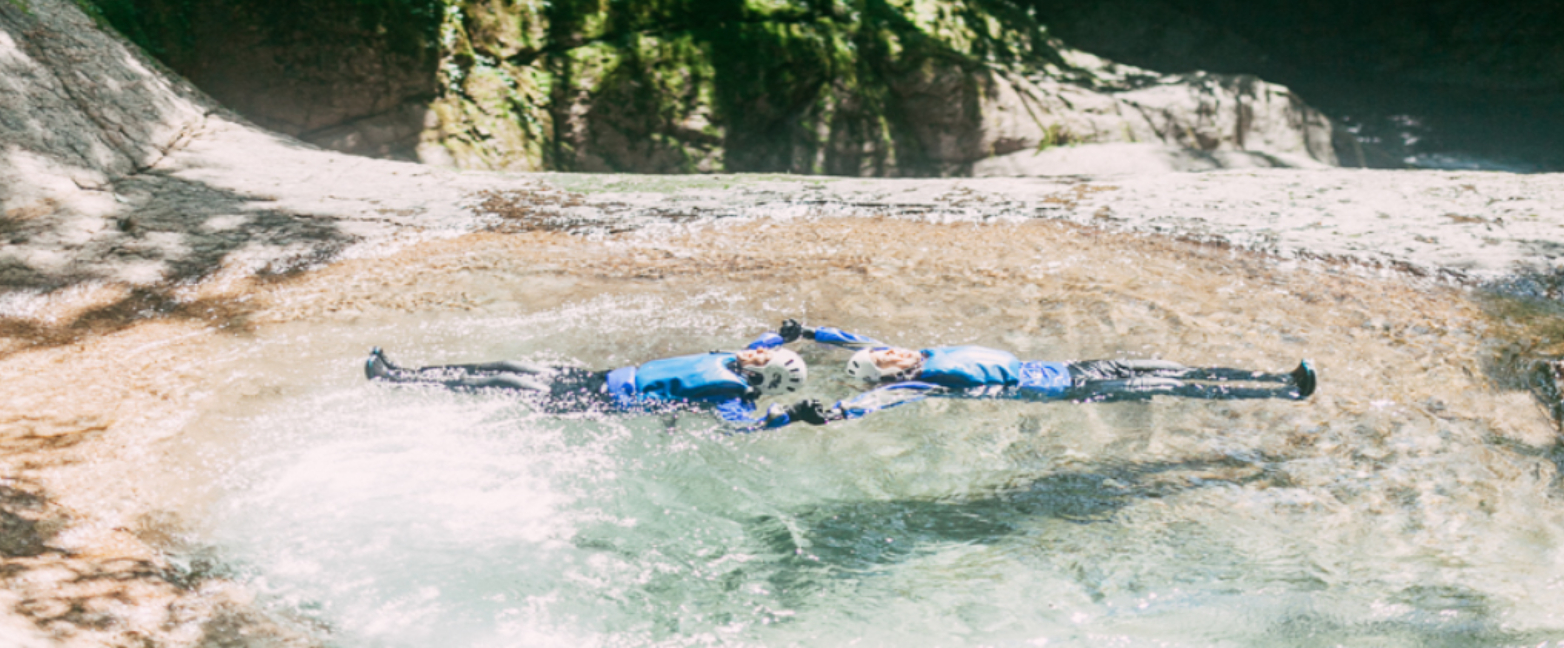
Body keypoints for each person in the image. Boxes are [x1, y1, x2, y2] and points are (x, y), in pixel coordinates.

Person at [776, 323, 1316, 425]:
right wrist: (838, 413)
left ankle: (1276, 375)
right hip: (1080, 391)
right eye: (883, 361)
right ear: (884, 374)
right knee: (1182, 387)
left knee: (1180, 369)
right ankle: (1287, 394)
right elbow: (885, 402)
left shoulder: (919, 352)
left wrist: (811, 333)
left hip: (1079, 367)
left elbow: (859, 340)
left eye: (886, 353)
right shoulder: (921, 381)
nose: (888, 352)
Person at [364, 322, 812, 431]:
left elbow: (741, 427)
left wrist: (791, 417)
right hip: (598, 378)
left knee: (505, 383)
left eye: (764, 359)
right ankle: (407, 372)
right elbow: (763, 343)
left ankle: (393, 381)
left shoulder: (730, 394)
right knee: (509, 365)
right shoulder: (740, 361)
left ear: (765, 379)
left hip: (600, 404)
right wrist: (787, 334)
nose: (757, 353)